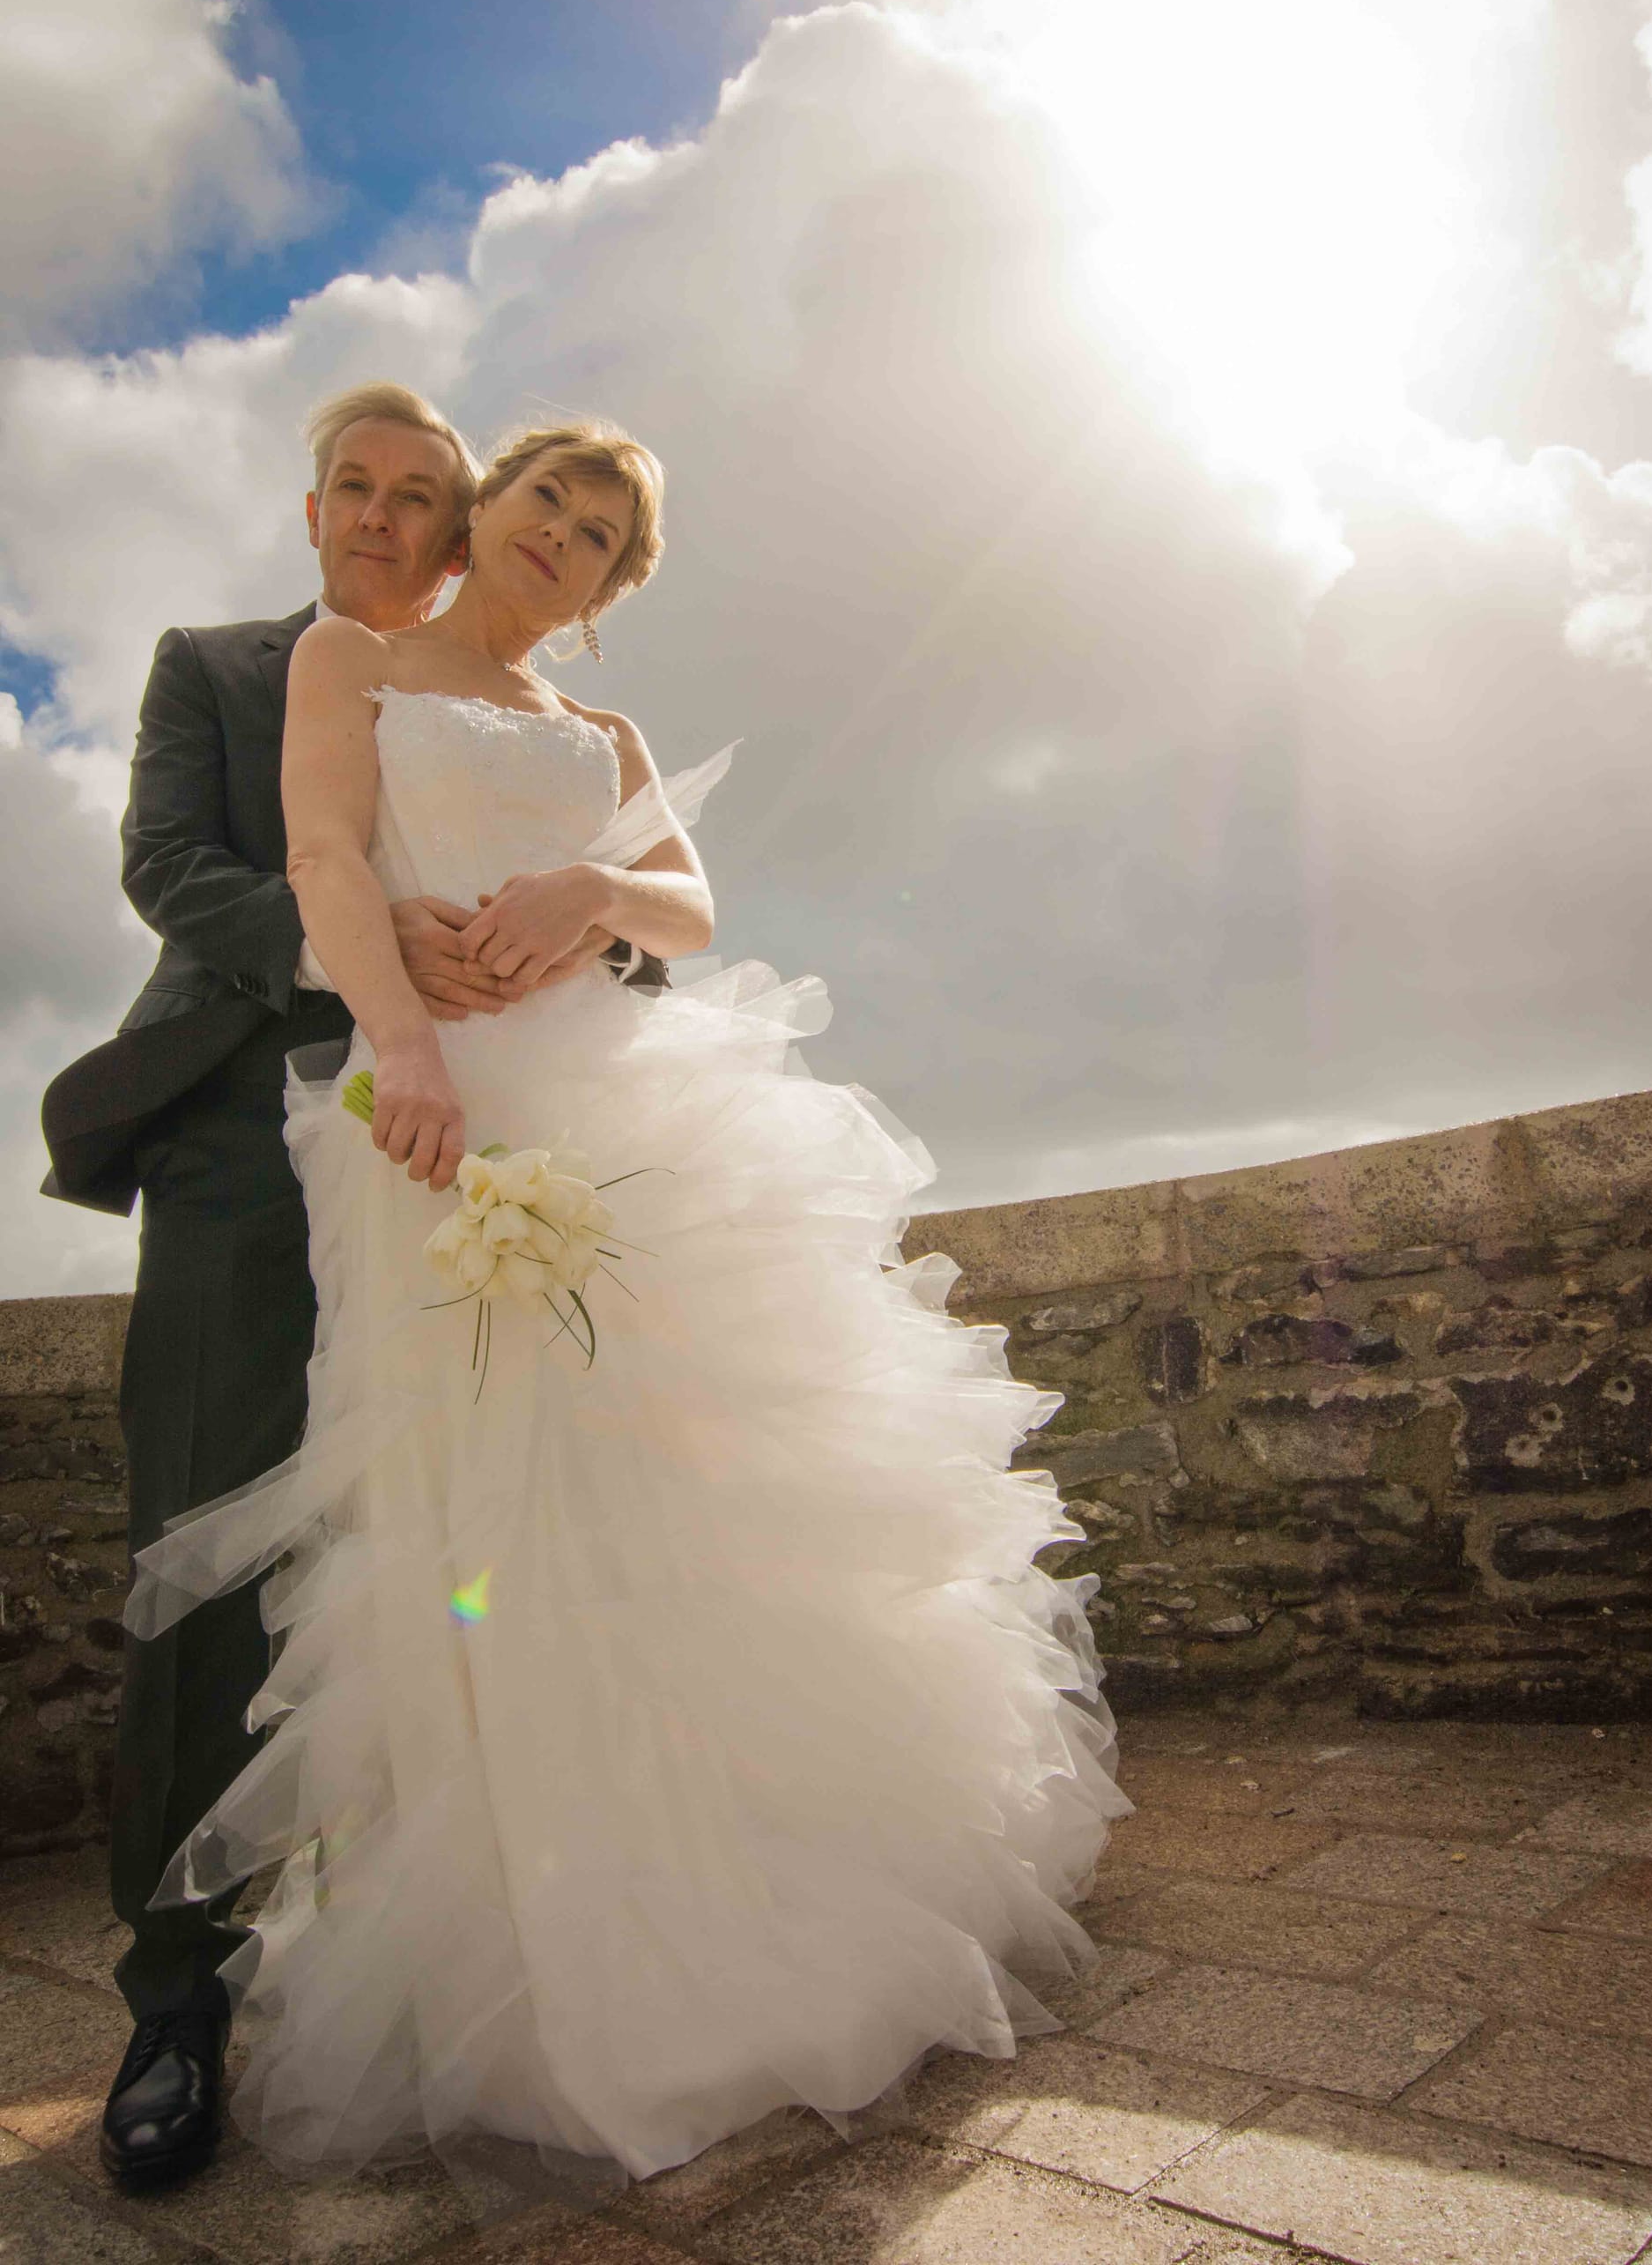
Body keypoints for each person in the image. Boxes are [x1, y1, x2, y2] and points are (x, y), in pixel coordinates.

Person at [122, 416, 1127, 2201]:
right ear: (483, 512)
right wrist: (409, 1047)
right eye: (543, 504)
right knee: (478, 1510)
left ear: (602, 589)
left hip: (633, 1121)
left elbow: (687, 895)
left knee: (680, 1493)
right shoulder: (340, 664)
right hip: (431, 1127)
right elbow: (329, 862)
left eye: (595, 539)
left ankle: (731, 1910)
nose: (557, 540)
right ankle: (480, 1961)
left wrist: (597, 888)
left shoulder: (607, 735)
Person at [39, 383, 652, 2196]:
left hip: (492, 1158)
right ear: (312, 512)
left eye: (420, 497)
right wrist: (378, 970)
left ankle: (503, 1957)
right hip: (247, 1151)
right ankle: (178, 2009)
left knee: (517, 1545)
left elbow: (618, 920)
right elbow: (173, 870)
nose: (384, 520)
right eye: (354, 493)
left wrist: (575, 930)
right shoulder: (221, 669)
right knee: (210, 1557)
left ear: (464, 526)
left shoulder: (530, 701)